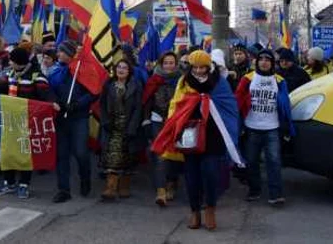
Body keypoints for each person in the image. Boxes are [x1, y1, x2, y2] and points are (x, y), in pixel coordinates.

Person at [152, 50, 242, 231]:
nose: (199, 71)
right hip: (190, 134)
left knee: (210, 173)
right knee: (191, 175)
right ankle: (195, 212)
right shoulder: (184, 82)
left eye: (203, 67)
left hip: (214, 135)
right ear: (190, 67)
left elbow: (229, 107)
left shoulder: (220, 82)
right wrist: (175, 126)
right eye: (196, 67)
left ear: (209, 66)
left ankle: (210, 209)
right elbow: (175, 105)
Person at [0, 47, 56, 199]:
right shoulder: (10, 74)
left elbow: (47, 95)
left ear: (18, 62)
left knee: (25, 154)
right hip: (10, 121)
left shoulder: (36, 77)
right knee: (7, 153)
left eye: (12, 60)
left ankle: (24, 185)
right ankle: (9, 182)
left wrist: (53, 103)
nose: (10, 63)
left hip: (27, 123)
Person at [236, 49, 295, 206]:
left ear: (272, 63)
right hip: (252, 127)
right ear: (256, 62)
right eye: (260, 59)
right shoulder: (247, 79)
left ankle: (276, 195)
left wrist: (286, 126)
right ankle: (255, 191)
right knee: (252, 161)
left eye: (267, 59)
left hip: (272, 128)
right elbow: (238, 100)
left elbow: (285, 105)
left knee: (274, 162)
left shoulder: (280, 80)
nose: (264, 62)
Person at [48, 40, 96, 203]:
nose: (58, 54)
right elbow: (48, 89)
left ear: (69, 54)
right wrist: (57, 103)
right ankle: (63, 189)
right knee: (62, 155)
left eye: (61, 52)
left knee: (81, 152)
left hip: (78, 118)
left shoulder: (83, 70)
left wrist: (77, 104)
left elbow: (93, 92)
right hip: (61, 118)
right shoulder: (54, 71)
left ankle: (85, 178)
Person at [99, 59, 143, 201]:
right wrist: (105, 121)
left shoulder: (135, 86)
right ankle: (110, 188)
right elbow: (102, 105)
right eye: (119, 67)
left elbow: (138, 108)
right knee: (112, 156)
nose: (121, 70)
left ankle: (124, 186)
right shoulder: (109, 84)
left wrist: (132, 127)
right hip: (112, 126)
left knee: (127, 155)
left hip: (129, 125)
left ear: (129, 71)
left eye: (124, 67)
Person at [142, 51, 181, 206]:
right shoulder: (154, 79)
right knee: (159, 154)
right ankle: (161, 190)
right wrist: (146, 120)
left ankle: (172, 183)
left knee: (174, 154)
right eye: (166, 63)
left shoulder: (181, 81)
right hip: (157, 120)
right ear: (161, 64)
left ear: (175, 64)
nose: (169, 66)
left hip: (176, 122)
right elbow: (147, 100)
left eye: (171, 63)